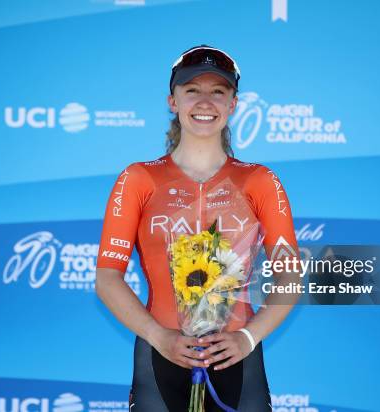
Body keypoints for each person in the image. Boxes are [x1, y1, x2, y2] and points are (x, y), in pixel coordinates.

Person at [96, 45, 300, 412]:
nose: (205, 102)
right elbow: (107, 277)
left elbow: (291, 278)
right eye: (192, 91)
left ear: (233, 104)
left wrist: (247, 338)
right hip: (160, 356)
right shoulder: (139, 178)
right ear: (172, 101)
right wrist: (160, 336)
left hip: (239, 360)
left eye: (217, 92)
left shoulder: (260, 181)